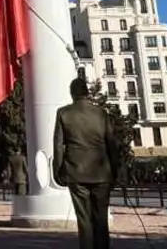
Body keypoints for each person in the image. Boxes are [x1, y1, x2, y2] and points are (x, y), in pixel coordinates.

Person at [53, 77, 119, 249]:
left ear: (72, 93)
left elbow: (58, 146)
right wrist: (115, 171)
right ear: (87, 92)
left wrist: (58, 171)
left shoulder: (63, 113)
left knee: (84, 220)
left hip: (76, 172)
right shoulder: (101, 114)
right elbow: (112, 144)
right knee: (101, 220)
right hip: (101, 173)